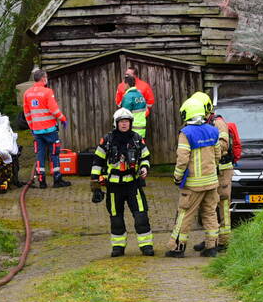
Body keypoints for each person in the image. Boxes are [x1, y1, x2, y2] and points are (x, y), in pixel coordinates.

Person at [90, 108, 154, 257]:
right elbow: (97, 161)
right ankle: (118, 247)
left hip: (133, 184)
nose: (124, 124)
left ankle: (146, 246)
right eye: (121, 122)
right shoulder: (107, 140)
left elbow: (146, 157)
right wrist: (95, 185)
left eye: (127, 122)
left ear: (131, 123)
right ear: (116, 123)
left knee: (141, 216)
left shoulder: (137, 139)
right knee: (116, 218)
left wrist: (144, 167)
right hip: (114, 186)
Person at [166, 96, 221, 258]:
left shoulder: (186, 133)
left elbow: (182, 159)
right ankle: (212, 247)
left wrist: (177, 177)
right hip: (212, 182)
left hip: (193, 184)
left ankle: (177, 248)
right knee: (210, 213)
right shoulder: (213, 130)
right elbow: (218, 155)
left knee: (185, 214)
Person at [188, 91, 235, 253]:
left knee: (222, 204)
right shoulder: (203, 123)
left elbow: (223, 145)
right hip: (211, 171)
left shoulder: (218, 123)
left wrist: (206, 149)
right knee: (209, 207)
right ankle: (211, 239)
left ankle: (224, 240)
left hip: (222, 170)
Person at [22, 68, 71, 189]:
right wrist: (63, 119)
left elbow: (27, 113)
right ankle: (57, 179)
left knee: (40, 154)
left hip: (37, 131)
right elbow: (54, 109)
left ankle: (41, 181)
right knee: (54, 153)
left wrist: (32, 127)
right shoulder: (47, 92)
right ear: (43, 78)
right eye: (46, 77)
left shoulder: (27, 93)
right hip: (50, 130)